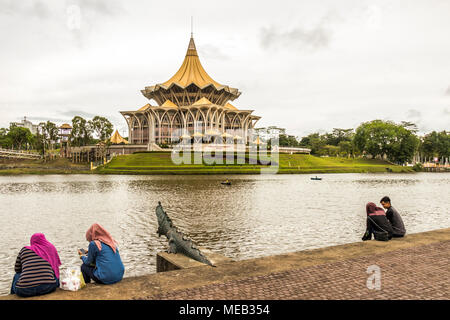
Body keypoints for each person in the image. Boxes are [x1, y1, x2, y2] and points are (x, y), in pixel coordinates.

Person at [11, 233, 61, 297]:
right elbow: (56, 267)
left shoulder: (24, 249)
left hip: (24, 290)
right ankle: (57, 287)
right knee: (55, 269)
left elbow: (17, 269)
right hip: (48, 287)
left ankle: (12, 295)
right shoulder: (50, 248)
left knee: (17, 275)